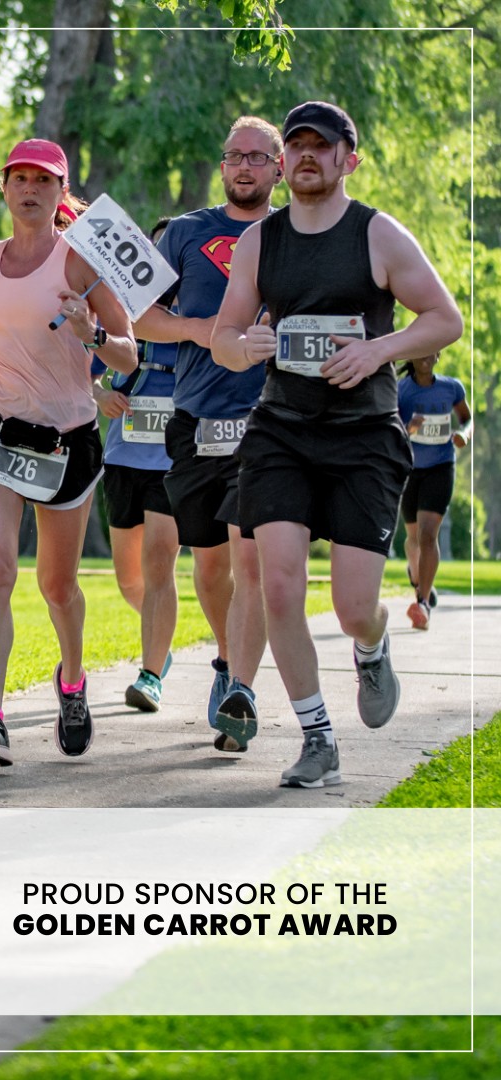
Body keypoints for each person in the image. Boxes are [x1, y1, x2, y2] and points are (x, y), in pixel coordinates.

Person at [211, 100, 463, 788]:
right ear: (283, 161)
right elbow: (225, 336)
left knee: (354, 607)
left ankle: (373, 645)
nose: (307, 157)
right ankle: (317, 736)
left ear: (349, 158)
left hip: (363, 437)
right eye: (296, 147)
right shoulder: (261, 241)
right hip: (281, 431)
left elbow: (445, 319)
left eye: (323, 147)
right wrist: (245, 344)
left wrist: (379, 349)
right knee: (280, 583)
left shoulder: (377, 235)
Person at [0, 139, 135, 767]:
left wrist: (91, 333)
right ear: (3, 187)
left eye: (42, 181)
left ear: (60, 191)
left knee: (57, 583)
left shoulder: (82, 264)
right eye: (18, 178)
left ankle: (71, 681)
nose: (29, 189)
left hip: (65, 438)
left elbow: (128, 352)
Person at [133, 116, 284, 753]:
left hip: (269, 420)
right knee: (210, 565)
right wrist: (199, 330)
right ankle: (226, 661)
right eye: (233, 156)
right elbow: (142, 318)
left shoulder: (296, 234)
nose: (244, 166)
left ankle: (241, 689)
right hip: (194, 419)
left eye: (258, 156)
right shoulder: (188, 233)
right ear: (222, 166)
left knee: (249, 560)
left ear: (279, 167)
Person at [91, 217, 179, 712]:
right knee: (130, 579)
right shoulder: (121, 310)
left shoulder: (197, 311)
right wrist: (99, 394)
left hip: (174, 457)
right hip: (124, 453)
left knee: (160, 562)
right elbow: (85, 373)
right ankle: (159, 641)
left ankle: (149, 674)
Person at [397, 351, 472, 629]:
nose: (425, 356)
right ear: (413, 355)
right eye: (420, 350)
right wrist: (409, 428)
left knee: (429, 536)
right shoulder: (401, 390)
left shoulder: (451, 388)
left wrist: (464, 434)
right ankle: (416, 575)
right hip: (410, 469)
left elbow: (467, 419)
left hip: (441, 467)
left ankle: (423, 603)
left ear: (438, 355)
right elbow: (392, 428)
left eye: (431, 351)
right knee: (413, 538)